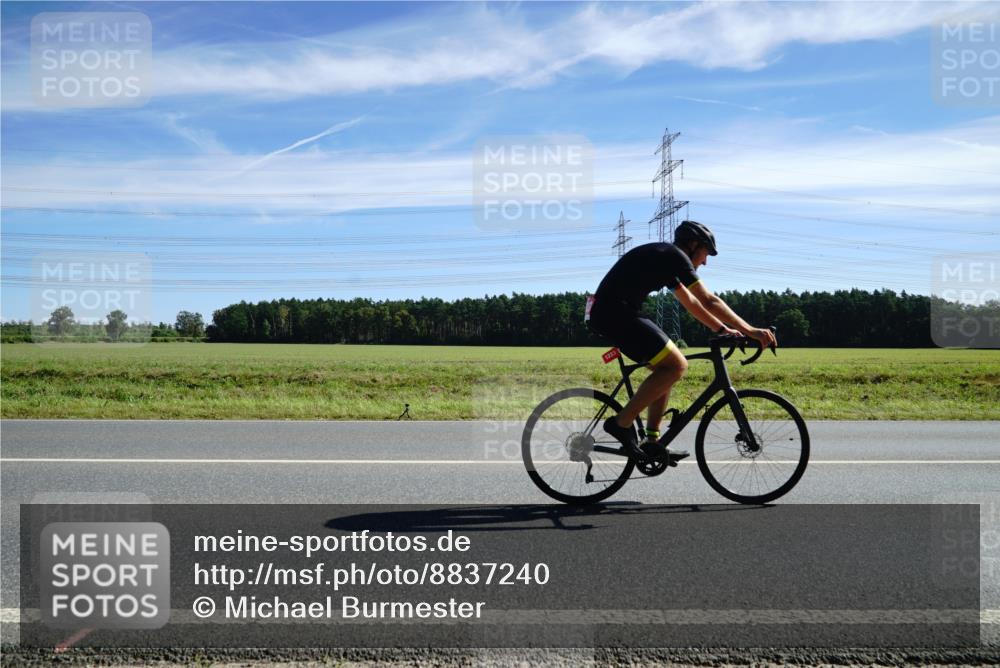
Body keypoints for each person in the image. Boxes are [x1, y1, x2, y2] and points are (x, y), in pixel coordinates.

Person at [586, 220, 777, 461]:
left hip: (617, 313)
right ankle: (620, 424)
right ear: (694, 245)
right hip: (615, 314)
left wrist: (722, 329)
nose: (705, 262)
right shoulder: (674, 256)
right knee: (676, 365)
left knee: (668, 369)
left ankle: (652, 443)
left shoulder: (666, 259)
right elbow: (709, 300)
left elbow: (692, 303)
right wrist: (751, 330)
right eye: (706, 253)